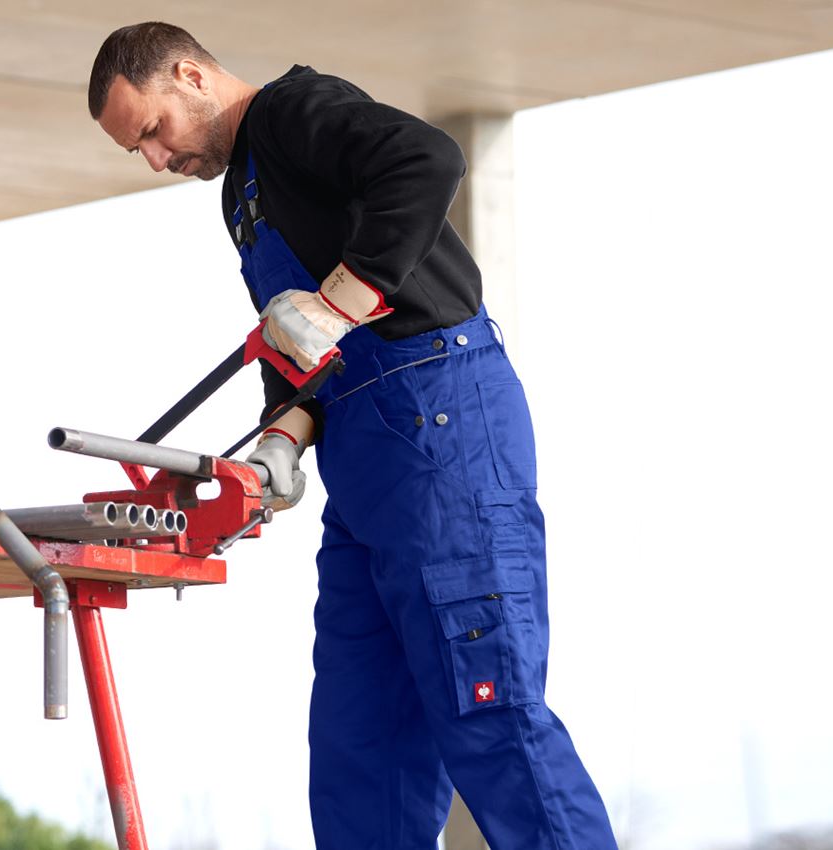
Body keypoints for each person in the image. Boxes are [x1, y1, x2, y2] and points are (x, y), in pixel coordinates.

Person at [88, 22, 618, 850]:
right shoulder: (242, 195)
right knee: (360, 754)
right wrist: (281, 442)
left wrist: (339, 299)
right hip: (364, 466)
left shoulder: (295, 111)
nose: (158, 160)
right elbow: (295, 340)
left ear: (190, 74)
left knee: (490, 716)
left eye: (152, 131)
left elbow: (428, 159)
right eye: (138, 152)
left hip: (439, 429)